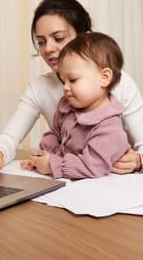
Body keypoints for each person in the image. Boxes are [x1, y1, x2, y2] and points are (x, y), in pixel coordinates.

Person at [0, 0, 143, 174]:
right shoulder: (40, 87)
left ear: (86, 38)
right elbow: (10, 137)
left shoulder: (121, 83)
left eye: (58, 38)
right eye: (41, 42)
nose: (48, 48)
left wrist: (139, 160)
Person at [20, 32, 130, 178]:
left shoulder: (110, 129)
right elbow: (55, 134)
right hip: (68, 184)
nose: (65, 87)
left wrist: (51, 165)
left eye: (72, 80)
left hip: (100, 192)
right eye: (63, 80)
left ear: (104, 78)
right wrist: (43, 157)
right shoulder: (67, 106)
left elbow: (91, 167)